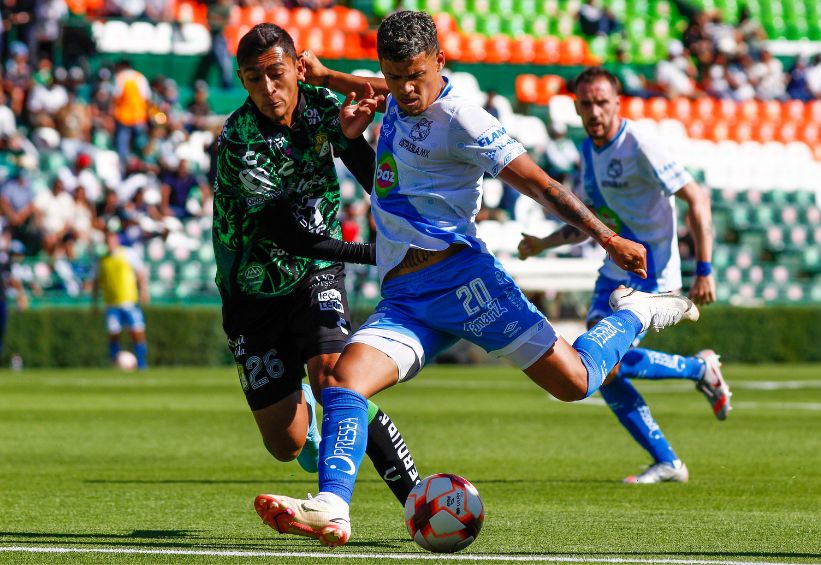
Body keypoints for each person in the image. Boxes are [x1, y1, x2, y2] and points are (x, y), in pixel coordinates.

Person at [254, 11, 700, 548]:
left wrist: (607, 238)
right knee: (345, 381)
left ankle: (640, 310)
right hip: (406, 298)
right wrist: (327, 78)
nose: (404, 90)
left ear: (440, 61)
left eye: (415, 76)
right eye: (394, 77)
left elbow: (541, 185)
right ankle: (332, 506)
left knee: (576, 383)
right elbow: (372, 87)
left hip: (468, 283)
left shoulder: (466, 120)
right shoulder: (395, 94)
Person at [212, 23, 422, 511]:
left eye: (276, 74)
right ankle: (303, 412)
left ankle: (416, 501)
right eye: (253, 79)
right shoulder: (240, 140)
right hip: (252, 290)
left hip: (315, 275)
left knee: (339, 382)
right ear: (243, 81)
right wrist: (377, 253)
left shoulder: (320, 105)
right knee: (284, 444)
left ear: (295, 68)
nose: (268, 89)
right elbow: (288, 235)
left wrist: (353, 143)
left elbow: (368, 171)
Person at [517, 67, 732, 484]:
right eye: (587, 104)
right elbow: (593, 218)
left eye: (602, 102)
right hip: (614, 270)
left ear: (617, 103)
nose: (595, 111)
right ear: (577, 108)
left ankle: (696, 378)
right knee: (600, 366)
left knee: (600, 362)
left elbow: (696, 197)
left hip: (651, 276)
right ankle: (671, 451)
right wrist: (542, 243)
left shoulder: (641, 143)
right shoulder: (588, 150)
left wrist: (704, 268)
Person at [91, 230, 149, 369]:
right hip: (111, 304)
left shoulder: (128, 254)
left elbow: (140, 272)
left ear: (116, 241)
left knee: (137, 332)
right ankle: (114, 362)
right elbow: (96, 282)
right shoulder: (102, 260)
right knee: (113, 333)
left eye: (112, 240)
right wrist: (94, 303)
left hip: (129, 301)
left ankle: (142, 364)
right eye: (107, 241)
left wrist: (143, 291)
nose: (110, 243)